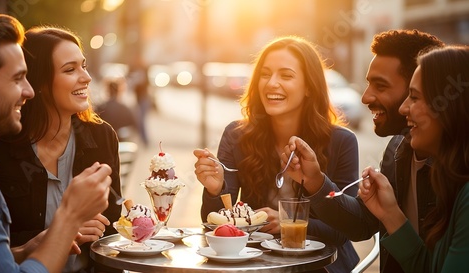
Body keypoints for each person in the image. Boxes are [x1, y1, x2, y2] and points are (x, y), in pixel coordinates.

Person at [281, 30, 444, 273]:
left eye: (380, 85)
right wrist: (315, 181)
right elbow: (363, 225)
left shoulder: (454, 169)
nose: (366, 97)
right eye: (368, 84)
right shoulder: (398, 148)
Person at [194, 36, 359, 273]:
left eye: (286, 75)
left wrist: (287, 223)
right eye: (265, 74)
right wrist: (214, 190)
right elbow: (219, 224)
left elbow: (344, 229)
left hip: (320, 268)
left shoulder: (342, 142)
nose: (271, 83)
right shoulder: (236, 135)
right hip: (256, 264)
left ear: (309, 87)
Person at [0, 13, 112, 273]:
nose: (86, 77)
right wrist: (67, 222)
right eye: (70, 69)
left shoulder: (101, 136)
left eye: (84, 65)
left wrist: (28, 248)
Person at [359, 45, 469, 272]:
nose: (403, 108)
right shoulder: (451, 179)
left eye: (415, 97)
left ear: (450, 105)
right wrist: (389, 213)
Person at [97, 77, 139, 141]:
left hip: (106, 140)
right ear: (119, 91)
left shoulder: (101, 107)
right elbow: (135, 125)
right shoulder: (125, 108)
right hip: (121, 140)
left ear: (108, 90)